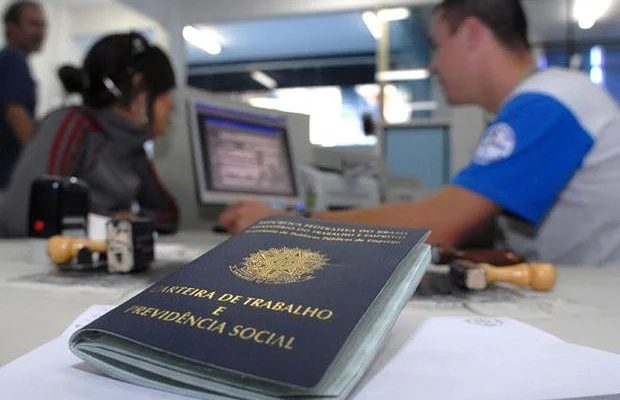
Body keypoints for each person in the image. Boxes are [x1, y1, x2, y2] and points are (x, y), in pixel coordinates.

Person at [218, 0, 620, 266]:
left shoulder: (548, 103)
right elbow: (469, 223)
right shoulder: (551, 98)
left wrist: (285, 224)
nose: (432, 67)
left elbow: (439, 224)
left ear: (473, 35)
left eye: (436, 46)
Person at [0, 32, 179, 236]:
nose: (170, 103)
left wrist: (131, 222)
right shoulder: (73, 125)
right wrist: (109, 224)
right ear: (139, 89)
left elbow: (168, 214)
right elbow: (26, 216)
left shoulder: (133, 146)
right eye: (165, 92)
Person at [0, 1, 46, 188]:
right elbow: (15, 113)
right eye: (33, 24)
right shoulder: (13, 60)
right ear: (12, 27)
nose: (40, 32)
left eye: (43, 26)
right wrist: (41, 164)